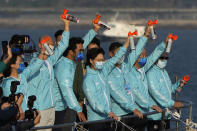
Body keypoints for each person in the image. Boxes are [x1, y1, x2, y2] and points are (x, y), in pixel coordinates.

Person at [53, 22, 100, 131]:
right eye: (79, 51)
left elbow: (84, 43)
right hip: (58, 108)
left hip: (66, 105)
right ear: (70, 52)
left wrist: (95, 30)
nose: (82, 54)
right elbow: (66, 89)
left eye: (83, 51)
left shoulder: (71, 62)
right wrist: (78, 109)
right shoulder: (64, 66)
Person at [27, 17, 70, 130]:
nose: (52, 46)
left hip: (51, 108)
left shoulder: (50, 61)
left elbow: (63, 45)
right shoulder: (34, 63)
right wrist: (35, 109)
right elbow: (30, 87)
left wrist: (66, 25)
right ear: (41, 45)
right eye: (49, 44)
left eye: (52, 44)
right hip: (40, 109)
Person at [107, 26, 151, 131]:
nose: (121, 56)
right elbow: (118, 95)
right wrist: (133, 109)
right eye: (118, 54)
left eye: (122, 53)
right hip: (119, 115)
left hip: (130, 113)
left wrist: (145, 35)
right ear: (111, 54)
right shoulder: (109, 73)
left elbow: (136, 52)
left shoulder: (125, 67)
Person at [83, 36, 130, 131]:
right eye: (98, 60)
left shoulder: (103, 71)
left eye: (102, 60)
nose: (102, 62)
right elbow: (94, 103)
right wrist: (108, 111)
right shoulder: (88, 80)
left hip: (107, 118)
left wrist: (128, 41)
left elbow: (116, 57)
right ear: (91, 61)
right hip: (96, 121)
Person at [125, 35, 170, 131]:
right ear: (135, 57)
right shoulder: (130, 73)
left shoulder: (142, 69)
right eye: (141, 56)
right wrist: (150, 105)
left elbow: (154, 56)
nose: (144, 58)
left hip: (144, 112)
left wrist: (164, 43)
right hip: (135, 113)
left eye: (145, 55)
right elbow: (135, 93)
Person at [146, 52, 188, 131]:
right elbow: (155, 93)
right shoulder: (151, 73)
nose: (164, 60)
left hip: (166, 114)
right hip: (154, 116)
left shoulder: (164, 72)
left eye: (166, 58)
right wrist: (173, 103)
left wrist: (179, 83)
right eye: (162, 58)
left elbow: (170, 89)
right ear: (156, 59)